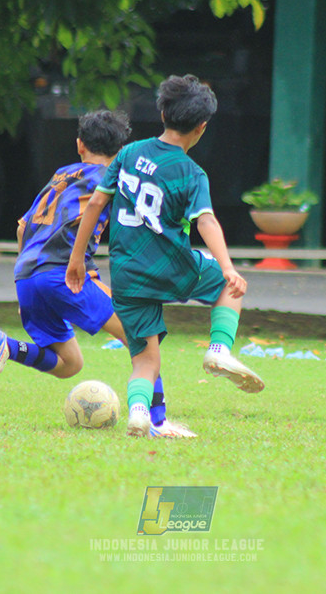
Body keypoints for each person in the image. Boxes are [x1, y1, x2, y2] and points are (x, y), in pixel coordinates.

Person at [65, 74, 265, 438]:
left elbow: (95, 202)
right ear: (201, 128)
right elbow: (205, 221)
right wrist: (228, 267)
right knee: (227, 287)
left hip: (126, 274)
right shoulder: (191, 173)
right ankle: (218, 349)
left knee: (145, 360)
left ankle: (141, 415)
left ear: (161, 113)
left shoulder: (128, 153)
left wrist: (77, 259)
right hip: (170, 266)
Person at [0, 109, 195, 437]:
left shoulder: (61, 175)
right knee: (141, 335)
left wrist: (27, 283)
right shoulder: (114, 179)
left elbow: (23, 228)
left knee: (70, 364)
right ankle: (157, 422)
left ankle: (6, 347)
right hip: (65, 274)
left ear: (80, 145)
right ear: (120, 152)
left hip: (27, 276)